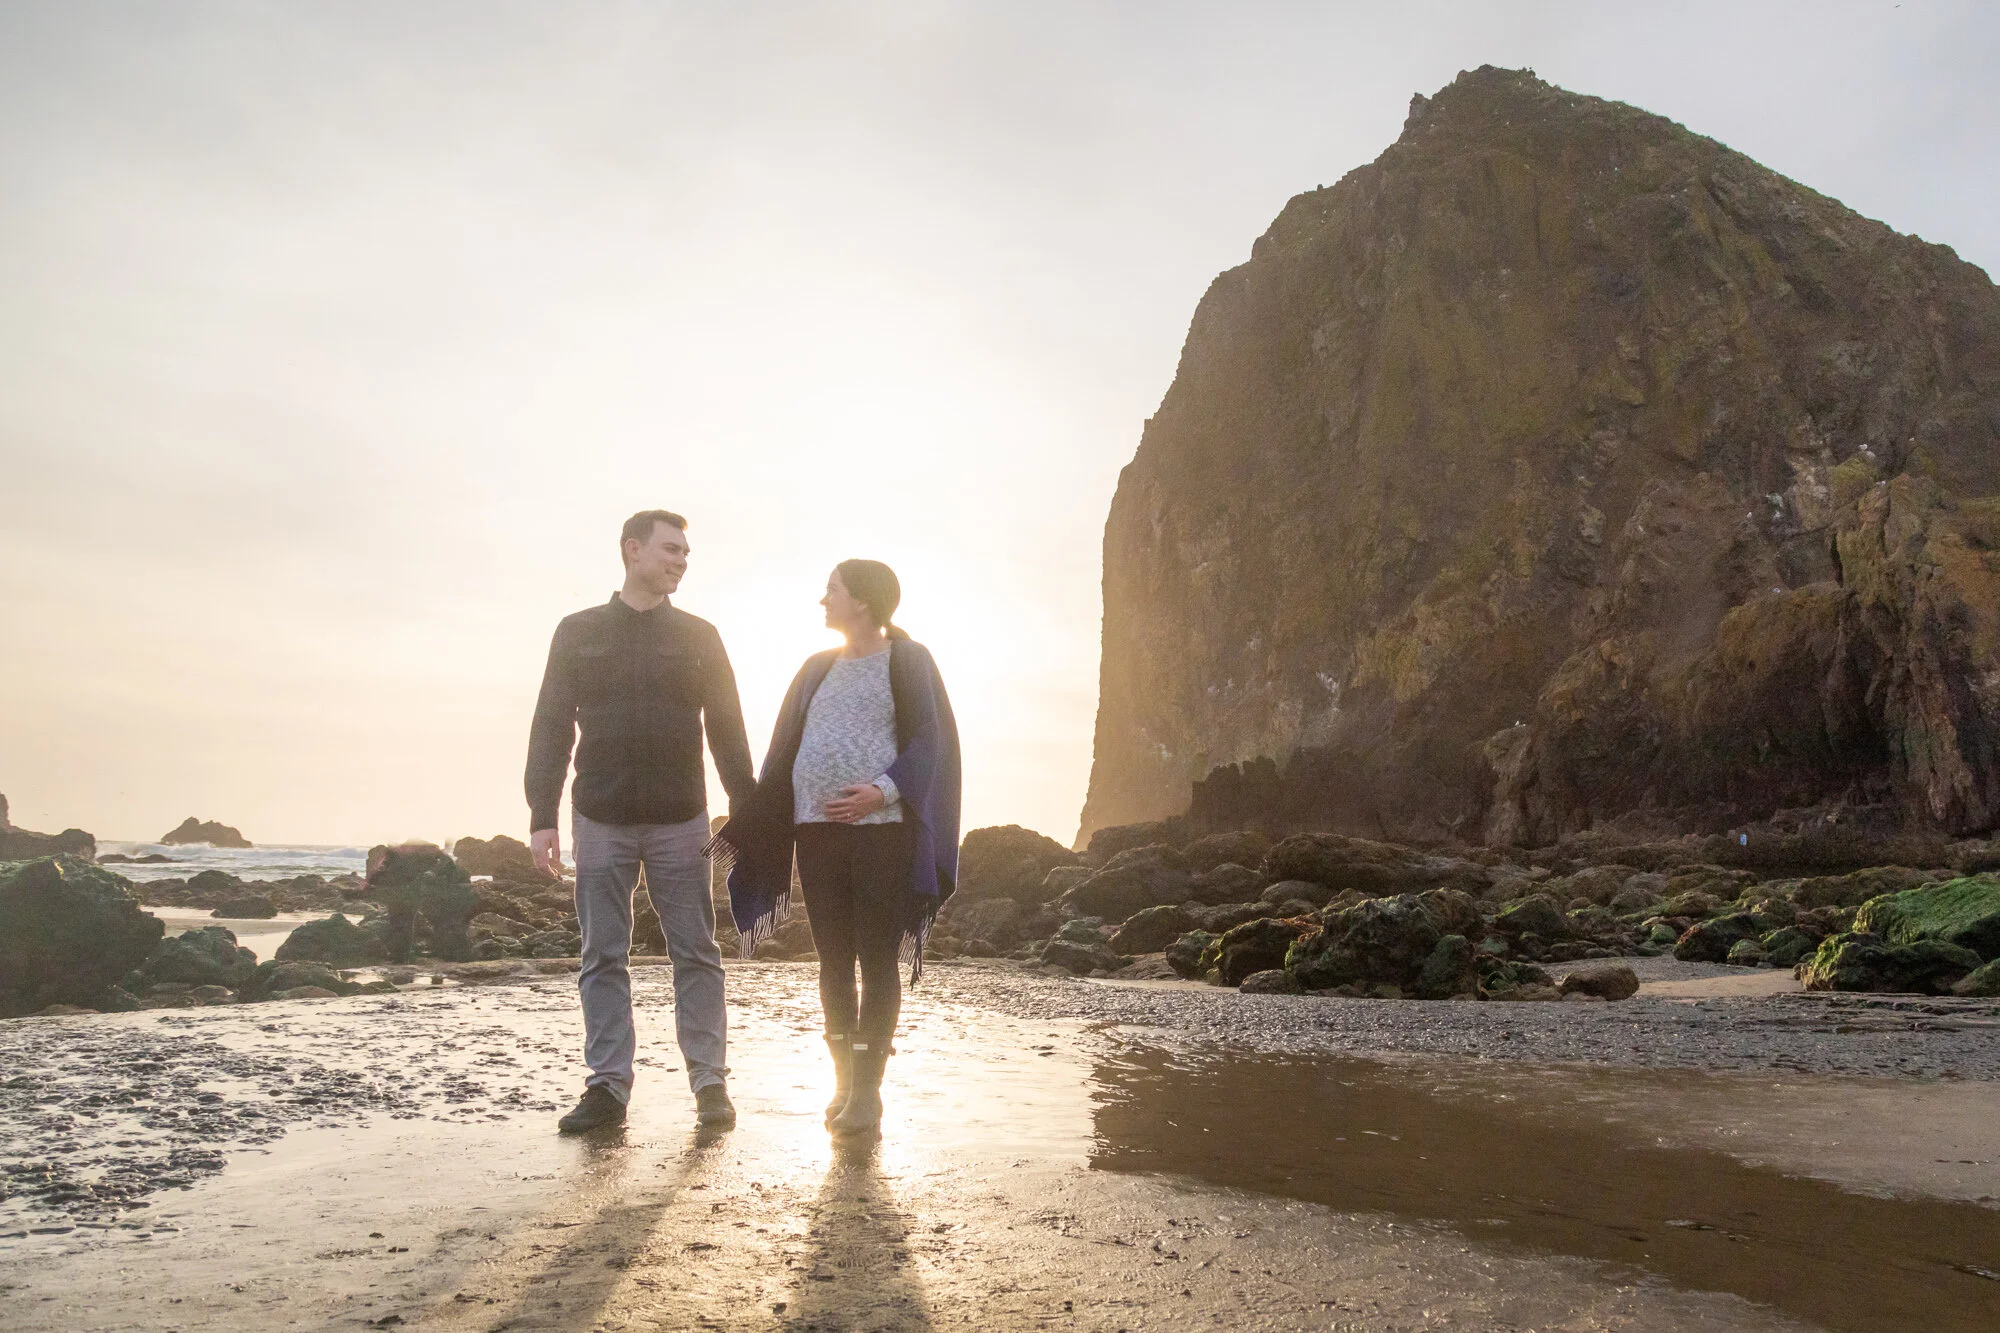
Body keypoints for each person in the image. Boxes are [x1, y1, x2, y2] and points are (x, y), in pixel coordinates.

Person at [709, 559, 960, 1136]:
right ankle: (844, 1081)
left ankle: (868, 1092)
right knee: (832, 960)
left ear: (863, 601)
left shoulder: (909, 659)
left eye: (833, 590)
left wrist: (882, 790)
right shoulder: (816, 667)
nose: (823, 600)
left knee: (876, 958)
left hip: (883, 833)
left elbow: (931, 739)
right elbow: (786, 747)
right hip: (815, 832)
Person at [525, 509, 756, 1133]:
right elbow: (551, 724)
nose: (681, 561)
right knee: (602, 955)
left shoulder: (700, 636)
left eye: (685, 553)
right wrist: (542, 813)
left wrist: (746, 807)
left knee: (697, 952)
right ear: (632, 550)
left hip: (681, 817)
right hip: (599, 817)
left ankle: (710, 1084)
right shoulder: (578, 631)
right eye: (670, 549)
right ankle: (607, 1088)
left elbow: (727, 726)